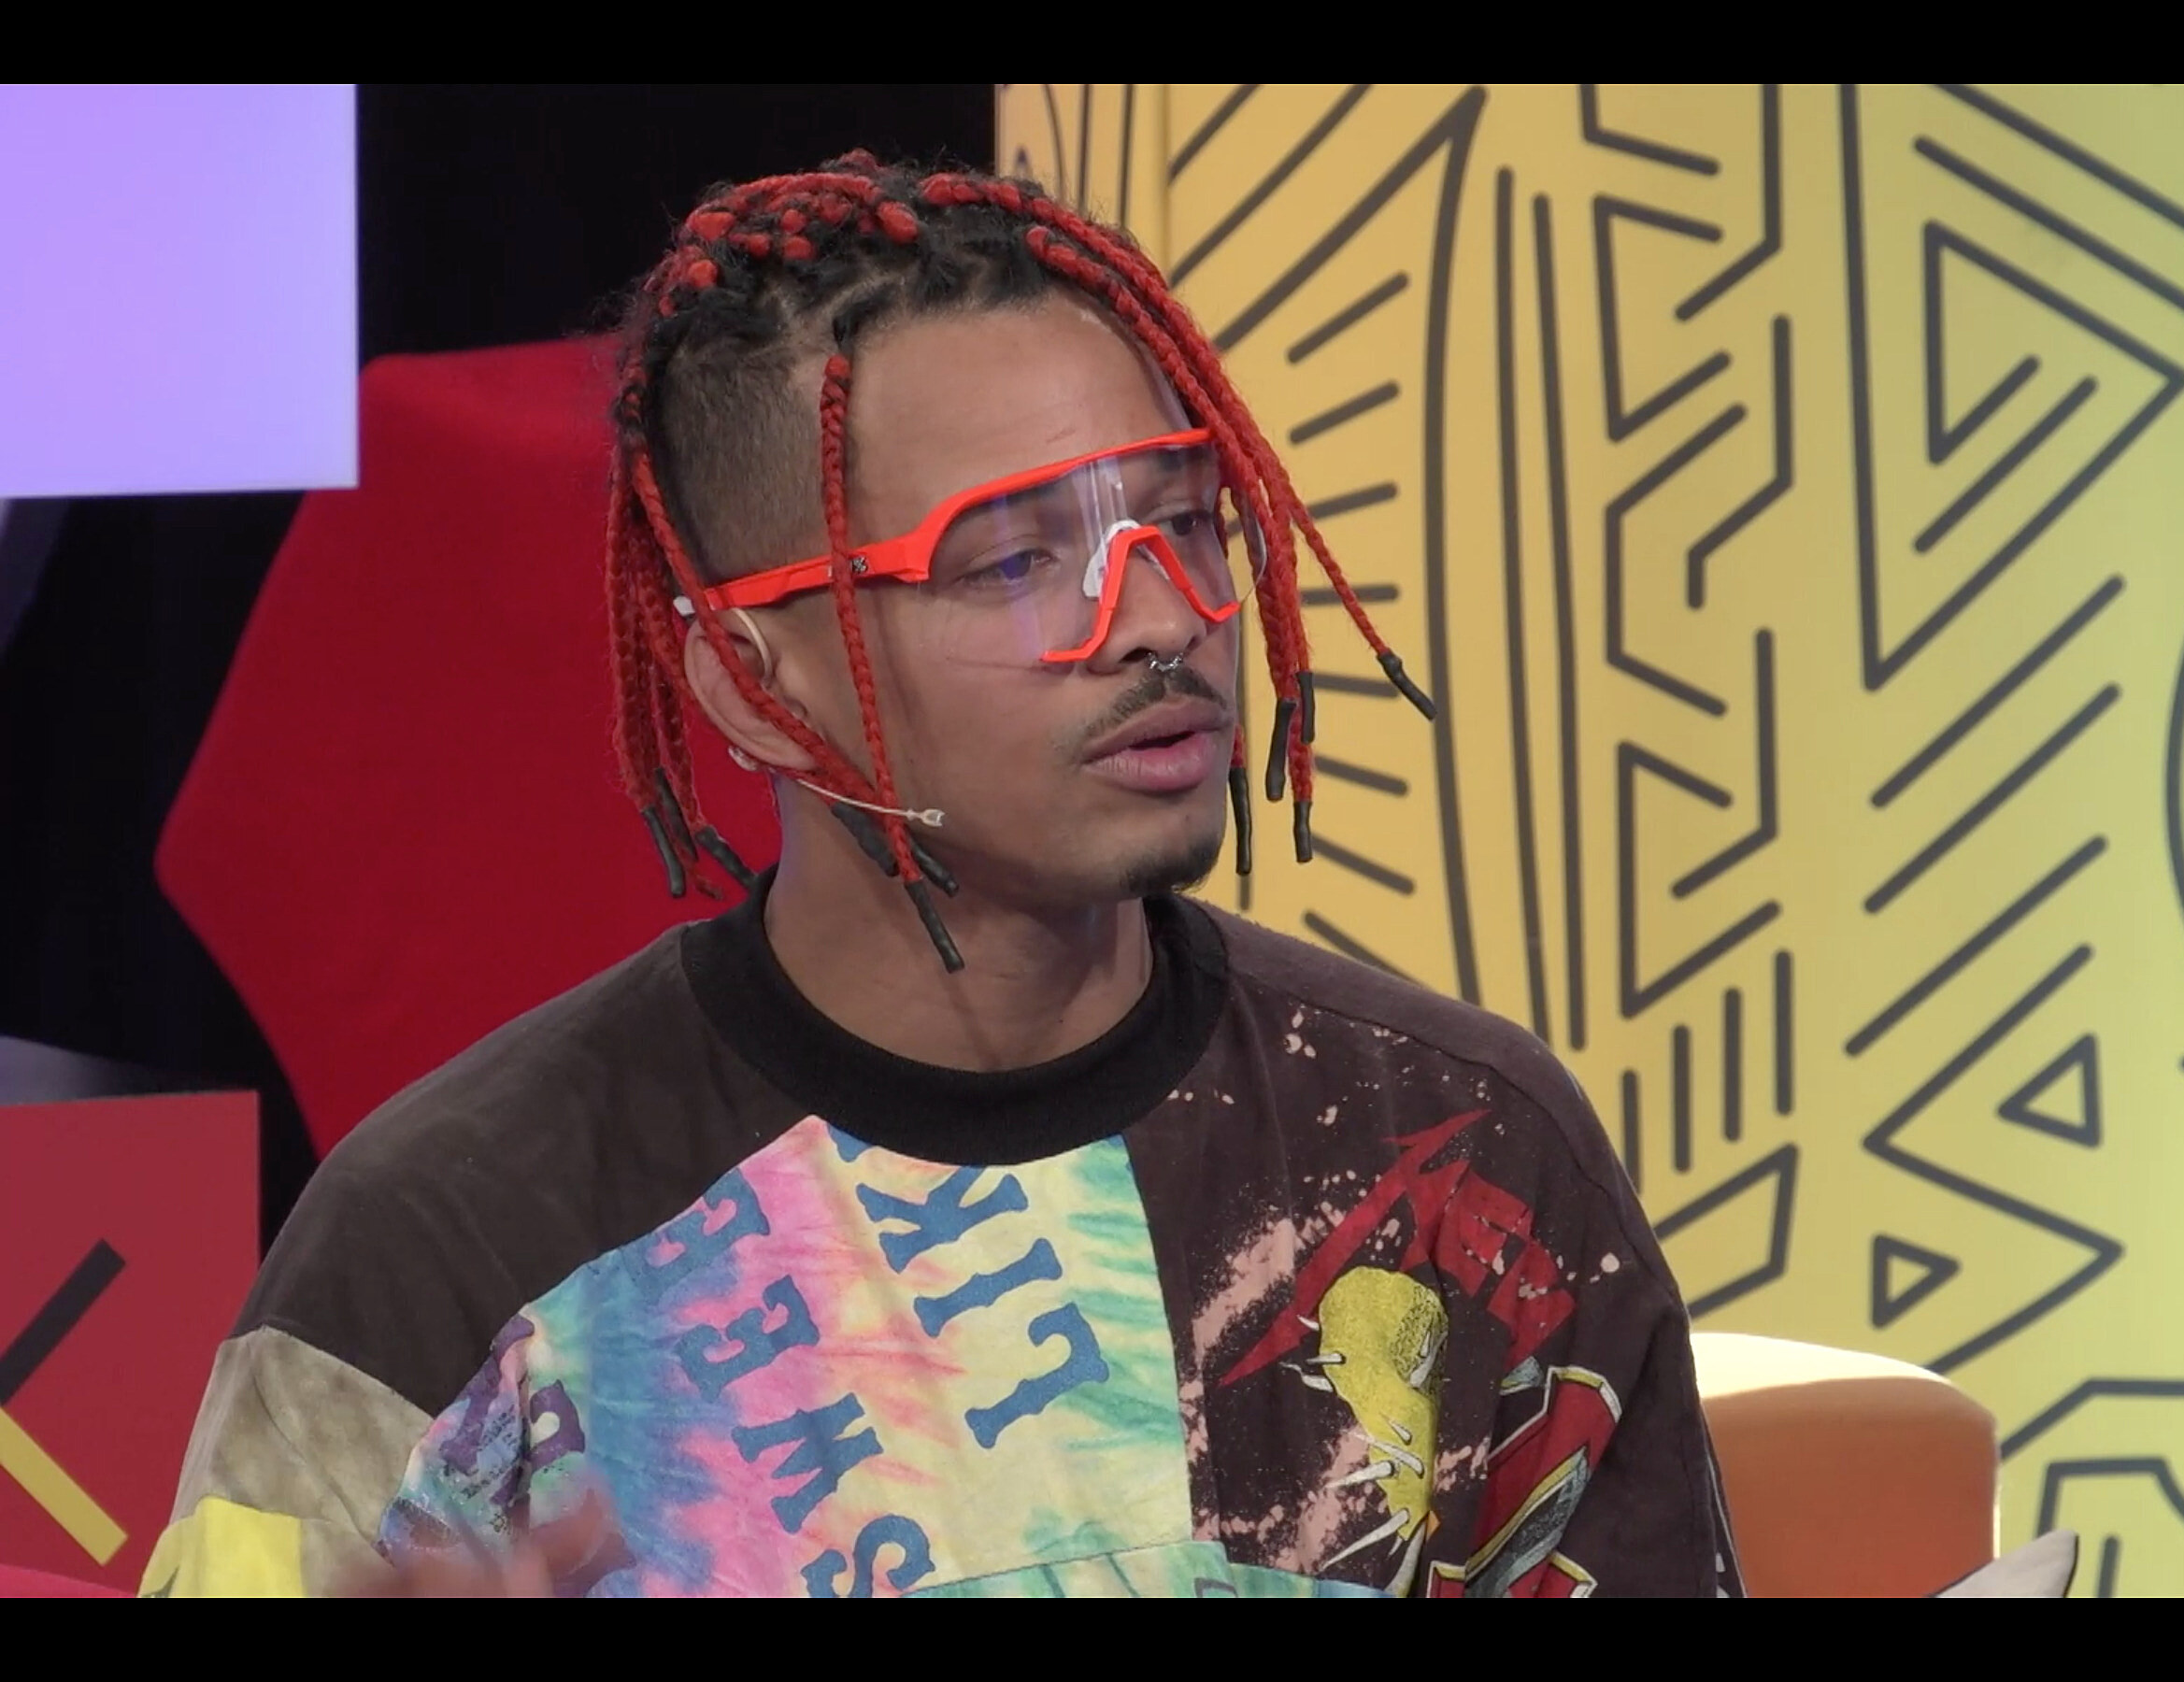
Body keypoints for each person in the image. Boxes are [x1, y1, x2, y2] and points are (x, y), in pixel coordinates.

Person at [145, 155, 1741, 1599]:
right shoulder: (442, 1248)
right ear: (748, 680)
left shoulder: (1459, 1156)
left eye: (1185, 521)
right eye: (1016, 559)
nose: (1159, 618)